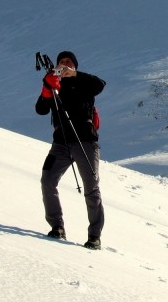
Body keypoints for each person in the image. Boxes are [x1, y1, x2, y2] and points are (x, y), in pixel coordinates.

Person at [35, 50, 106, 250]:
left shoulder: (84, 82)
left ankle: (94, 236)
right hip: (61, 143)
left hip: (86, 142)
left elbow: (99, 84)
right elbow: (41, 109)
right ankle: (57, 226)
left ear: (74, 66)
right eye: (61, 62)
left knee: (91, 188)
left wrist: (73, 75)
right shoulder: (53, 83)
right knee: (47, 180)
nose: (64, 65)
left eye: (68, 62)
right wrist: (47, 88)